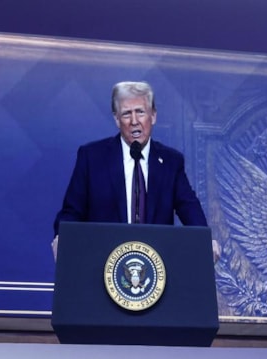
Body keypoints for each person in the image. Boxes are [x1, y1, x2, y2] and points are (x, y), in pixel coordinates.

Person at [52, 81, 219, 262]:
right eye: (126, 114)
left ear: (153, 116)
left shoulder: (171, 162)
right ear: (117, 120)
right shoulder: (92, 158)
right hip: (103, 262)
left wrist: (205, 239)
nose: (134, 121)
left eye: (140, 112)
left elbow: (189, 206)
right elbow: (72, 211)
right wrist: (62, 236)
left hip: (156, 265)